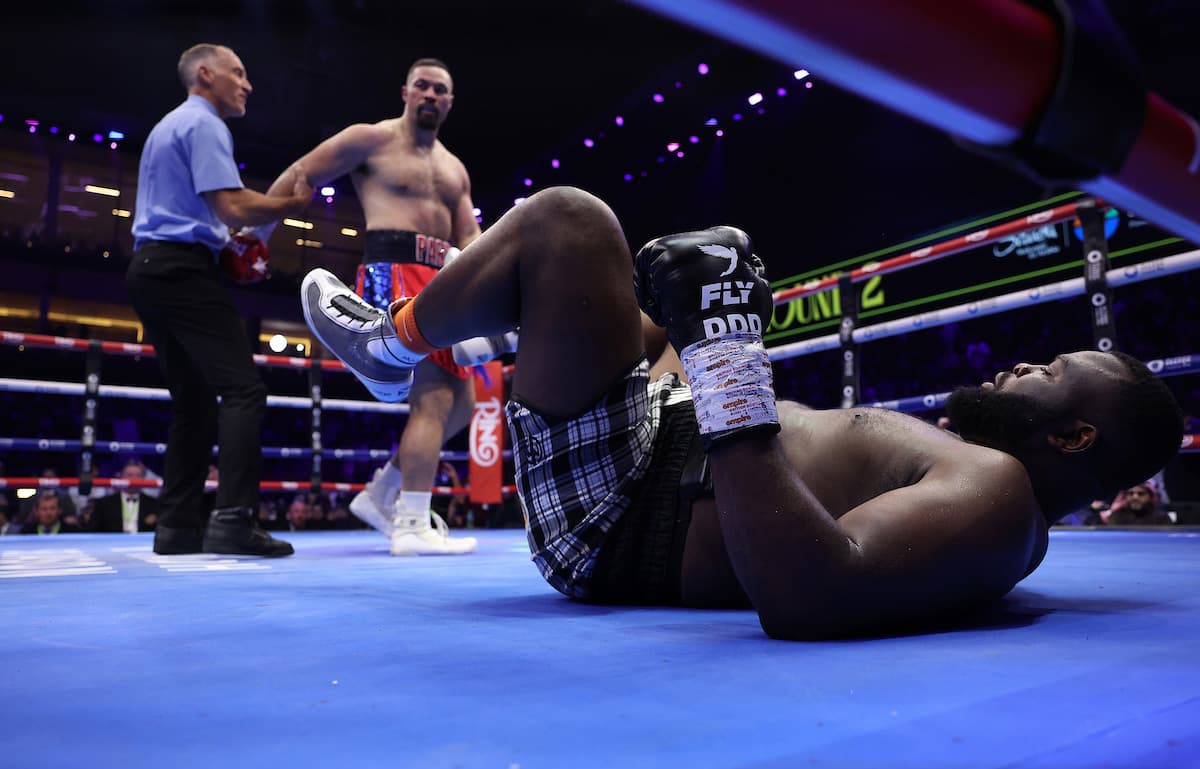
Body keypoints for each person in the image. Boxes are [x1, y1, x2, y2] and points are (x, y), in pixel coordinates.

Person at [299, 186, 1184, 640]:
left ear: (1074, 435)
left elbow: (810, 594)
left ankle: (397, 345)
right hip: (660, 450)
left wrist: (727, 357)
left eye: (1050, 371)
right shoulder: (982, 483)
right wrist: (711, 343)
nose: (1021, 365)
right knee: (707, 260)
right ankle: (500, 318)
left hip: (625, 517)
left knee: (569, 223)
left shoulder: (998, 498)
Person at [260, 57, 494, 557]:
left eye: (441, 90)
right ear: (406, 91)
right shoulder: (372, 139)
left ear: (450, 102)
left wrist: (487, 285)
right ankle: (410, 524)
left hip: (442, 277)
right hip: (393, 270)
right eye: (423, 87)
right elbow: (304, 171)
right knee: (432, 400)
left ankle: (381, 494)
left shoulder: (454, 168)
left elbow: (469, 235)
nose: (431, 95)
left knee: (465, 406)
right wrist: (256, 234)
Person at [126, 43, 312, 557]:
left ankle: (177, 527)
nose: (247, 84)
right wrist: (290, 205)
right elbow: (231, 205)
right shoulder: (206, 124)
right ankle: (233, 520)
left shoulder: (168, 125)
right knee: (244, 391)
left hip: (150, 268)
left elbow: (203, 212)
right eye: (239, 72)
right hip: (182, 270)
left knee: (192, 403)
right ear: (205, 75)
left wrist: (224, 245)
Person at [88, 459, 161, 533]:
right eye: (130, 475)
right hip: (113, 542)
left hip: (143, 543)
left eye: (138, 475)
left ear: (143, 478)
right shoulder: (104, 504)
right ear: (121, 477)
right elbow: (92, 531)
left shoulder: (154, 504)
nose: (134, 479)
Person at [1104, 482, 1174, 526]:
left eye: (1141, 494)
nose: (1135, 497)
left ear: (1150, 497)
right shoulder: (1117, 516)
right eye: (1130, 493)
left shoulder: (1161, 517)